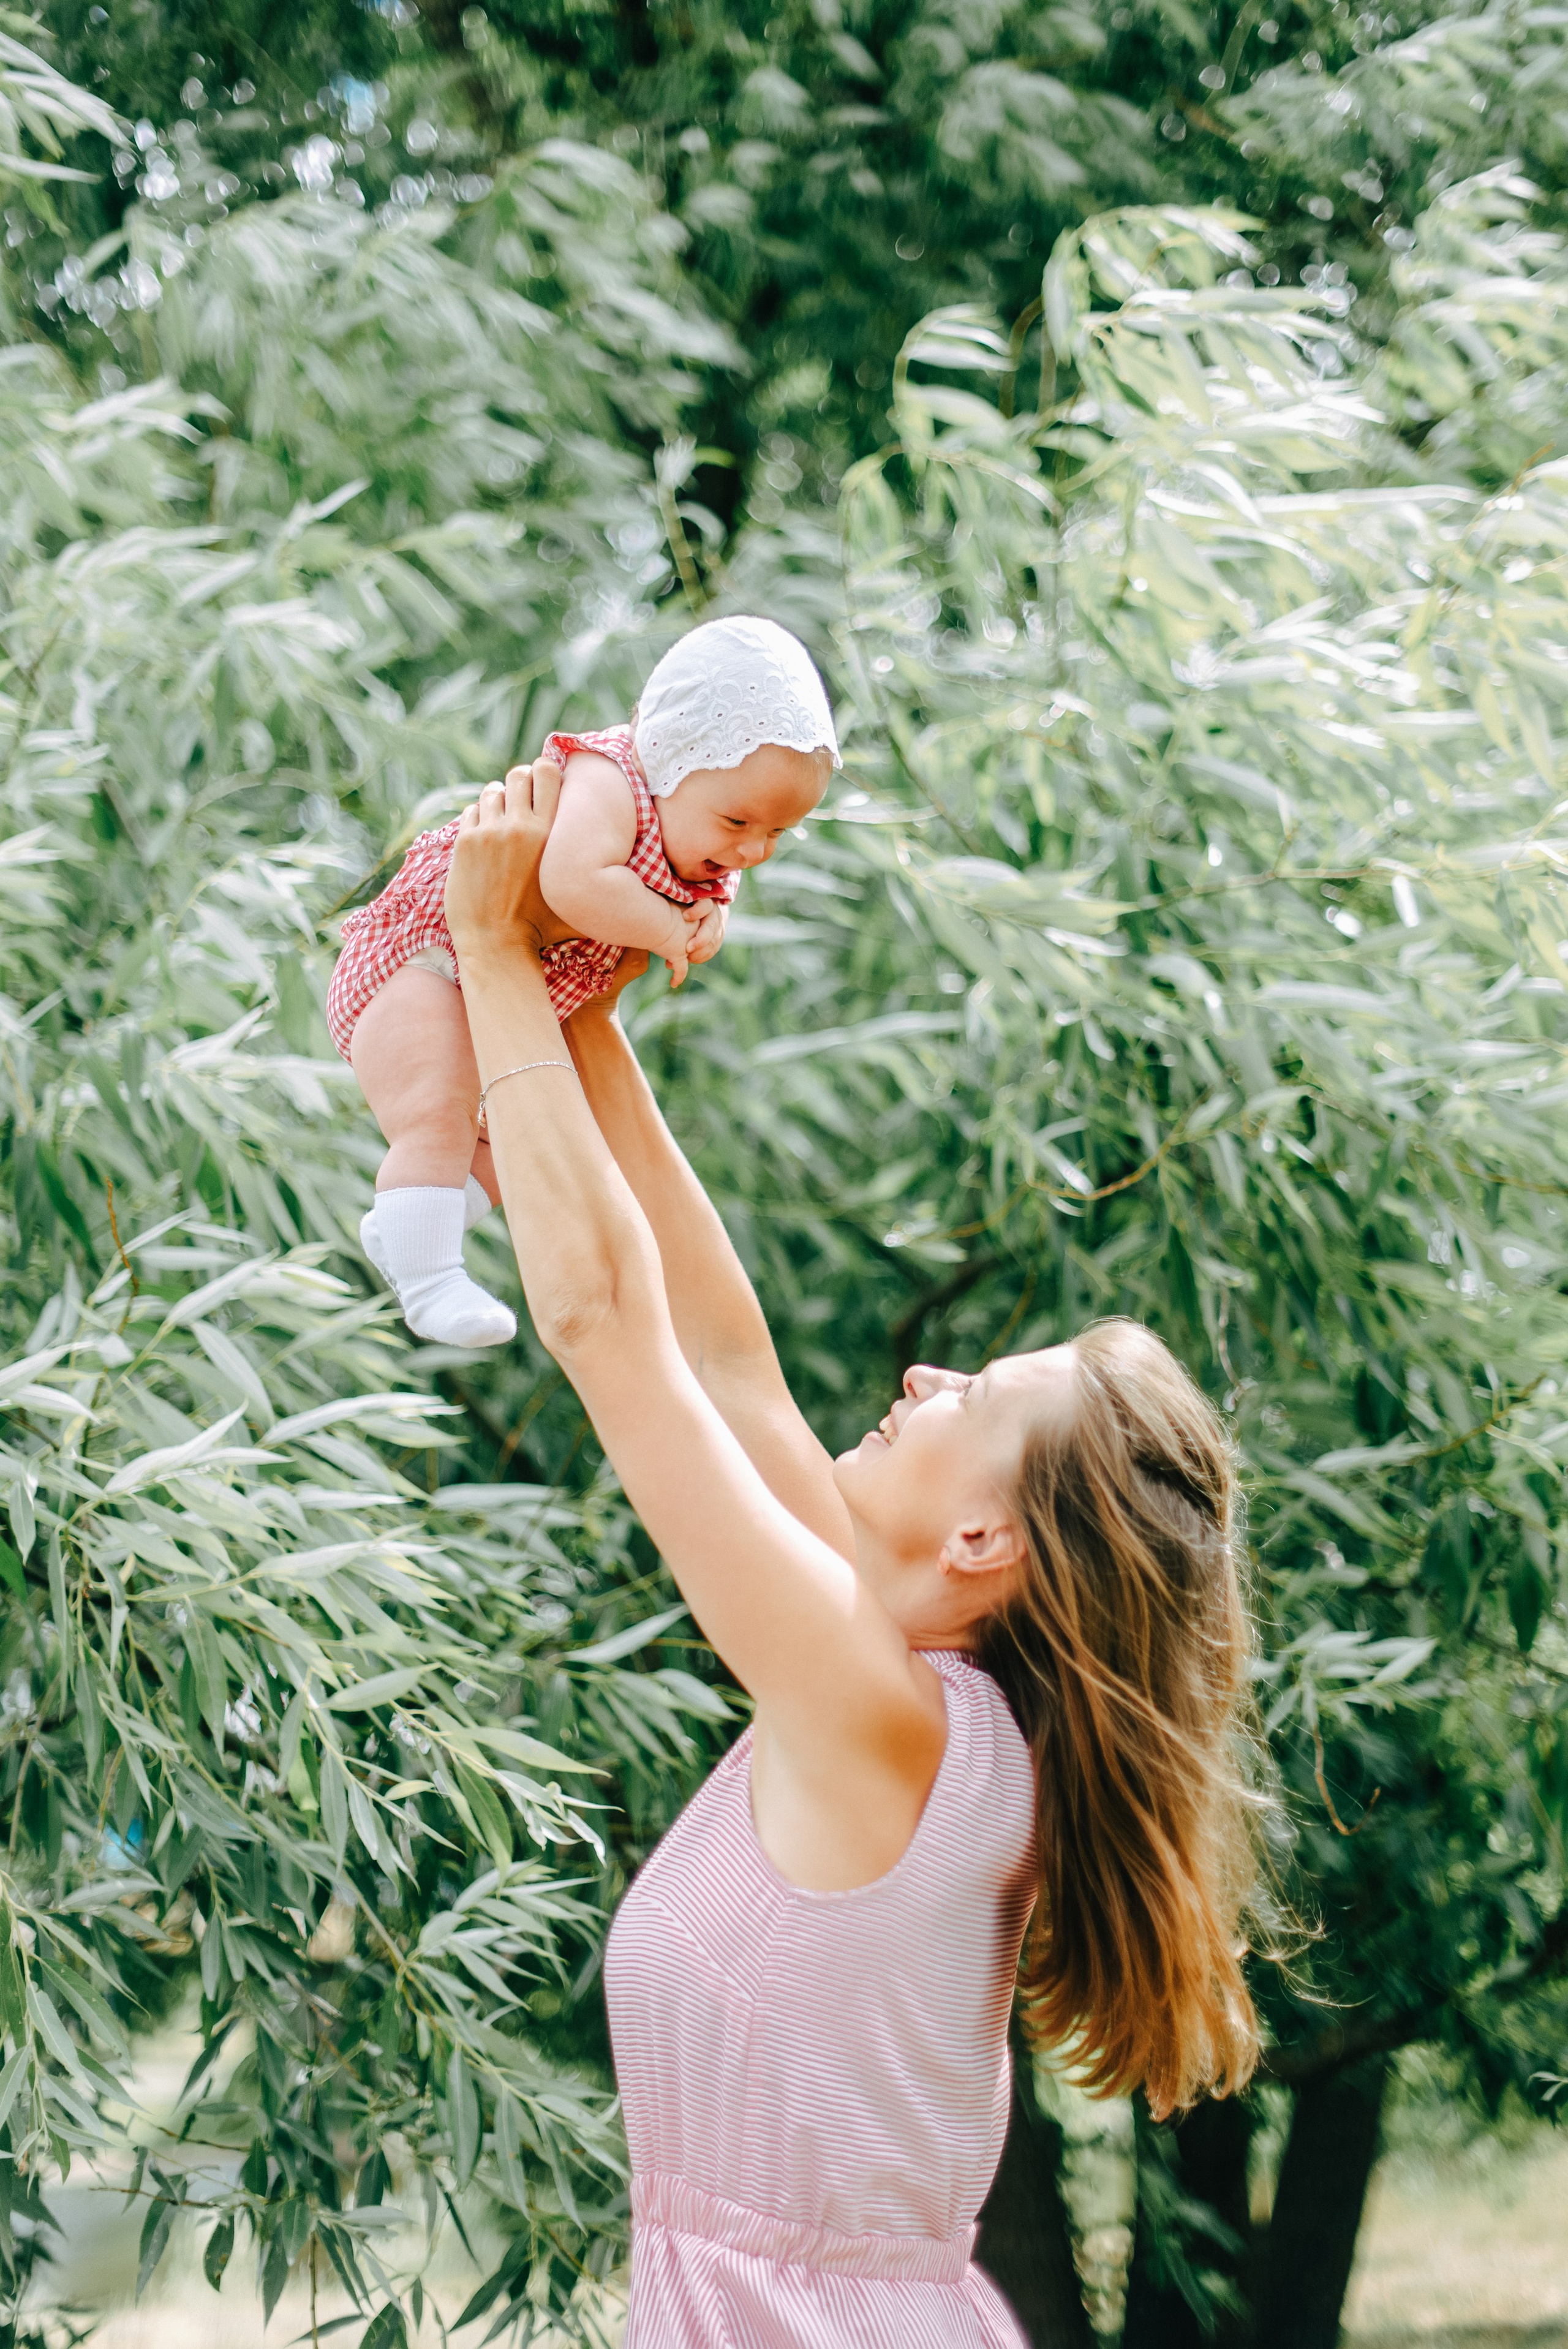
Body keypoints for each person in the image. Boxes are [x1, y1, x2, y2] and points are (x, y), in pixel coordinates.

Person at [442, 763, 1264, 2349]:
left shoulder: (883, 1719)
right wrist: (578, 995)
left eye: (976, 1392)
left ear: (985, 1539)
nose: (921, 1378)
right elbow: (728, 1360)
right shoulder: (910, 1693)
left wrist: (488, 960)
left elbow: (609, 1327)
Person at [326, 617, 838, 1348]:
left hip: (491, 988)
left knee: (524, 1141)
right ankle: (429, 1276)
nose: (752, 850)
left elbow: (694, 891)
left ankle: (410, 1222)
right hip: (422, 964)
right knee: (438, 1113)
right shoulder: (612, 779)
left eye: (778, 833)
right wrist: (668, 930)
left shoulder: (695, 839)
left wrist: (705, 919)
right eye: (736, 820)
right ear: (669, 758)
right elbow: (572, 881)